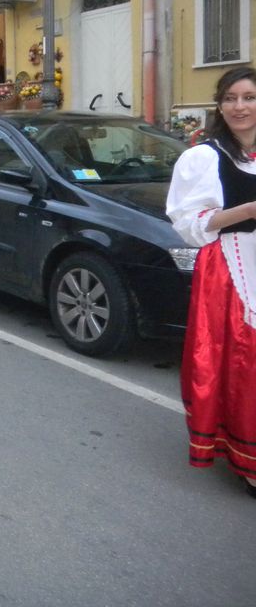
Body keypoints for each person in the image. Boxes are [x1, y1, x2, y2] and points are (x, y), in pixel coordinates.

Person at [166, 66, 256, 499]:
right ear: (219, 106)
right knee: (243, 361)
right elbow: (189, 224)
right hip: (231, 266)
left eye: (249, 97)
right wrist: (249, 210)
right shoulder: (205, 157)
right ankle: (248, 458)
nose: (240, 107)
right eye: (230, 98)